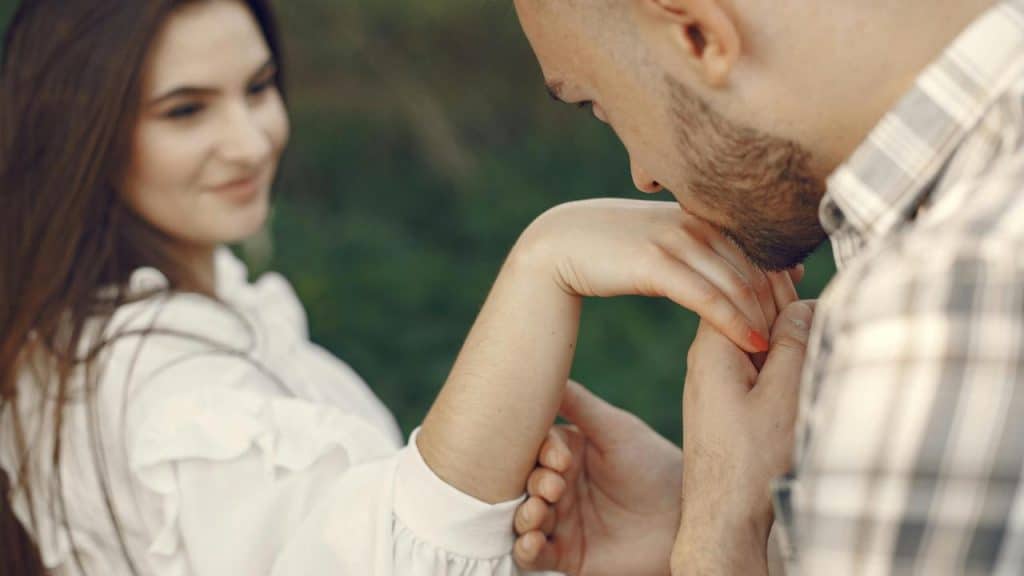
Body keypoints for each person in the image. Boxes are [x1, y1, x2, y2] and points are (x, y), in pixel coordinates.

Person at [0, 1, 803, 574]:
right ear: (84, 133)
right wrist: (542, 266)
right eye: (185, 111)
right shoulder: (153, 384)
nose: (248, 140)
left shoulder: (219, 320)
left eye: (258, 87)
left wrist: (681, 525)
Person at [510, 0, 1024, 574]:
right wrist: (773, 537)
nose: (642, 175)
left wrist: (717, 539)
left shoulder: (936, 306)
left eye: (597, 105)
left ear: (699, 35)